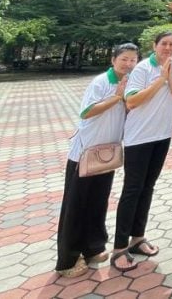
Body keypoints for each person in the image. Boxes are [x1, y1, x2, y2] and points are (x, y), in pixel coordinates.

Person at [55, 43, 137, 277]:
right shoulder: (101, 82)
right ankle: (67, 260)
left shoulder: (131, 82)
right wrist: (116, 98)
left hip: (107, 153)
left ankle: (93, 247)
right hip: (86, 152)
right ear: (113, 60)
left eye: (133, 60)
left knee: (98, 201)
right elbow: (86, 112)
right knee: (76, 206)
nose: (128, 64)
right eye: (124, 59)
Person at [109, 31, 172, 271]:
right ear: (154, 46)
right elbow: (132, 101)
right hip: (139, 138)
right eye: (164, 44)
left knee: (148, 187)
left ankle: (138, 237)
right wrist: (160, 79)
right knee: (132, 189)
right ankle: (119, 247)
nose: (167, 48)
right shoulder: (141, 69)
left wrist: (169, 76)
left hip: (162, 136)